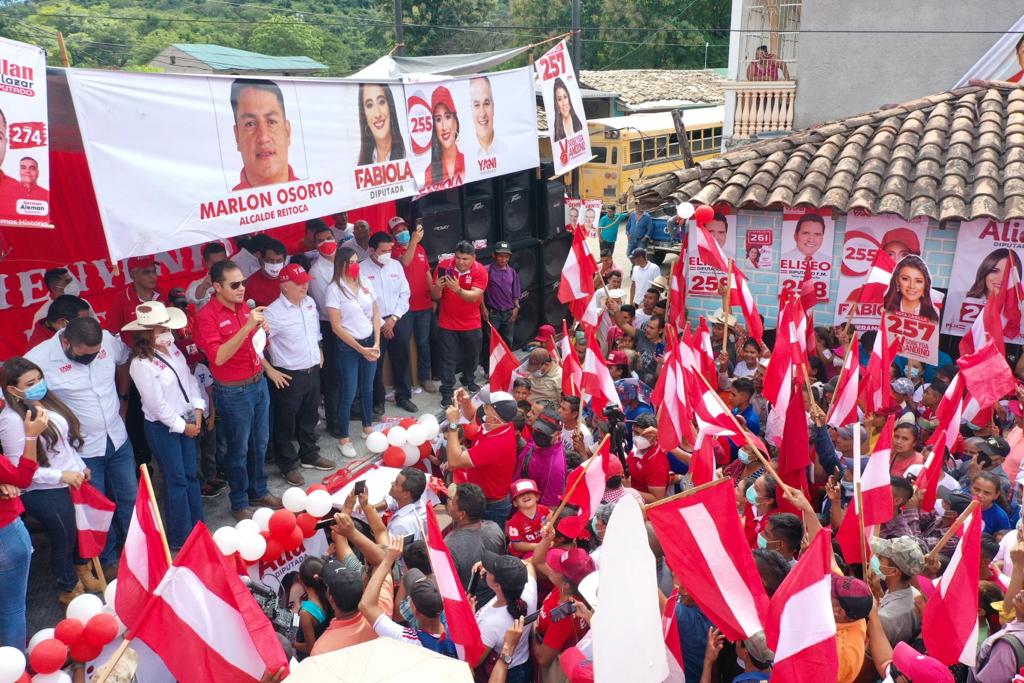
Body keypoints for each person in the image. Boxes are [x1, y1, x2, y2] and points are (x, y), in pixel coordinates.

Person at [26, 316, 138, 577]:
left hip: (117, 437)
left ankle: (138, 551)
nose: (90, 358)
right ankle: (109, 559)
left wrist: (123, 398)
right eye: (83, 355)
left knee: (130, 498)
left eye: (95, 354)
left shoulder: (108, 340)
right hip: (82, 449)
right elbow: (14, 395)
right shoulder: (38, 358)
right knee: (96, 509)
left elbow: (123, 361)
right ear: (65, 341)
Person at [0, 357, 99, 605]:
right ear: (13, 390)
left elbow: (64, 444)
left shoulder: (45, 402)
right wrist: (60, 475)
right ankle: (68, 587)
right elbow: (19, 469)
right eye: (30, 382)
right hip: (42, 489)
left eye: (39, 378)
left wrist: (79, 466)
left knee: (78, 530)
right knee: (63, 537)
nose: (39, 385)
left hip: (70, 480)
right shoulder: (11, 420)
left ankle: (83, 570)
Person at [195, 259, 280, 520]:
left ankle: (259, 489)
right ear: (217, 286)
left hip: (257, 383)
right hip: (233, 392)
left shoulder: (245, 307)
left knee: (261, 442)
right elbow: (218, 357)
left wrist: (262, 330)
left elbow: (254, 345)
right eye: (235, 284)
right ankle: (239, 501)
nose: (242, 288)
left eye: (243, 282)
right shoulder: (206, 316)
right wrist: (246, 328)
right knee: (238, 449)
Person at [123, 302, 207, 551]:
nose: (166, 333)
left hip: (187, 419)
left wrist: (199, 408)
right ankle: (181, 537)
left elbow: (189, 380)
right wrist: (184, 426)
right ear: (147, 333)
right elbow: (156, 404)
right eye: (161, 329)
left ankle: (198, 526)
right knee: (177, 479)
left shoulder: (174, 350)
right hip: (164, 428)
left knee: (191, 474)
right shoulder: (141, 364)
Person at [263, 264, 335, 485]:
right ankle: (287, 464)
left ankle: (309, 454)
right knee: (285, 421)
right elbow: (255, 346)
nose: (305, 285)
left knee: (310, 415)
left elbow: (315, 332)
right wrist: (270, 370)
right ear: (285, 286)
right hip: (288, 373)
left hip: (312, 369)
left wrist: (320, 349)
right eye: (299, 282)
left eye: (306, 281)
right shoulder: (272, 313)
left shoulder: (310, 303)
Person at [325, 246, 381, 458]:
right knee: (348, 392)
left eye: (358, 261)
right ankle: (344, 438)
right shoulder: (334, 289)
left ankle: (368, 427)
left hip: (369, 340)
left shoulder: (365, 282)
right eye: (352, 262)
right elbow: (336, 326)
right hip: (349, 346)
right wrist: (360, 349)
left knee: (367, 388)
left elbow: (376, 313)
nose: (357, 266)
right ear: (342, 265)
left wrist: (376, 343)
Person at [359, 537, 457, 657]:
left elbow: (366, 605)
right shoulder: (456, 634)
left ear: (414, 610)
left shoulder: (408, 639)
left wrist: (387, 561)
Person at [0, 401, 45, 649]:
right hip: (5, 533)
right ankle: (16, 667)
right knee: (12, 608)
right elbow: (22, 478)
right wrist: (30, 436)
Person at [362, 231, 417, 414]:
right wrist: (381, 322)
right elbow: (363, 301)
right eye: (383, 251)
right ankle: (378, 401)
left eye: (390, 250)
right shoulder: (361, 269)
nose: (387, 254)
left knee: (401, 358)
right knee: (376, 363)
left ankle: (403, 396)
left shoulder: (395, 266)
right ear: (371, 250)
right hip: (373, 322)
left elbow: (405, 294)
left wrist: (393, 319)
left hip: (398, 318)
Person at [446, 390, 518, 525]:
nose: (482, 407)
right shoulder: (502, 424)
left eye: (486, 406)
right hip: (487, 498)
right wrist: (466, 403)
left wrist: (453, 424)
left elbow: (454, 461)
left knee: (488, 543)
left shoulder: (495, 445)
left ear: (494, 418)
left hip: (491, 507)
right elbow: (473, 415)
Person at [432, 241, 488, 407]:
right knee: (447, 358)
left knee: (472, 355)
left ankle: (469, 379)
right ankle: (447, 391)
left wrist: (457, 289)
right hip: (447, 322)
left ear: (473, 258)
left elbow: (474, 297)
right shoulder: (443, 266)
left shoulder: (481, 271)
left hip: (471, 322)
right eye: (458, 258)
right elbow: (435, 296)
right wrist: (438, 287)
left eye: (465, 259)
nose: (461, 262)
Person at [389, 217, 436, 393]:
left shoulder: (421, 248)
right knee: (402, 344)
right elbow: (405, 262)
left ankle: (425, 377)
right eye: (398, 231)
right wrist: (414, 242)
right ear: (392, 235)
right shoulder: (393, 252)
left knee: (424, 343)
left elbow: (427, 274)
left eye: (404, 229)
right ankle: (404, 383)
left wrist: (434, 295)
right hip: (404, 308)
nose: (403, 233)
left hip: (423, 304)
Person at [474, 550, 537, 681]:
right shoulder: (529, 590)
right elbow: (528, 565)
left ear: (497, 585)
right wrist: (507, 569)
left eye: (490, 570)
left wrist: (469, 616)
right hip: (522, 663)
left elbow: (474, 660)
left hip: (506, 674)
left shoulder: (490, 623)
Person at [307, 220, 343, 436]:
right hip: (330, 327)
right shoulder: (316, 270)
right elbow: (327, 305)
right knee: (332, 377)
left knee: (346, 374)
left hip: (350, 325)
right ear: (315, 245)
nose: (326, 243)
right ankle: (334, 421)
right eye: (320, 241)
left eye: (329, 239)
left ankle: (346, 412)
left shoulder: (344, 259)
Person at [445, 483, 507, 604]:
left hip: (471, 605)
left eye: (452, 502)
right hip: (496, 597)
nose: (448, 503)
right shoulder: (495, 528)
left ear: (461, 514)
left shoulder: (449, 545)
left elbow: (448, 586)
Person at [230, 78, 296, 190]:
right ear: (237, 137)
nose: (263, 137)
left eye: (271, 122)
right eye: (250, 124)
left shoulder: (317, 200)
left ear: (287, 131)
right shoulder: (225, 205)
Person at [291, 556, 332, 660]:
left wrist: (293, 644)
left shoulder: (306, 613)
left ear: (301, 581)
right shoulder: (329, 593)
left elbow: (311, 648)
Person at [483, 242, 522, 348]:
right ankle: (489, 364)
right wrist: (484, 309)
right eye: (500, 256)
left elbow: (516, 293)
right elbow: (480, 291)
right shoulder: (486, 270)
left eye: (506, 257)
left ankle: (507, 364)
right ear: (494, 255)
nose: (503, 259)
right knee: (491, 341)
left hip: (509, 313)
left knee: (508, 340)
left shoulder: (512, 272)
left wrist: (516, 308)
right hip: (493, 313)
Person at [424, 86, 465, 186]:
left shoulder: (468, 160)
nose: (444, 127)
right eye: (438, 119)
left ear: (455, 121)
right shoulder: (429, 172)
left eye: (447, 117)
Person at [357, 83, 406, 165]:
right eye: (369, 105)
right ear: (364, 115)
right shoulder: (359, 164)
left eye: (381, 102)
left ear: (390, 106)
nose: (377, 114)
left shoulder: (407, 158)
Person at [883, 255, 939, 322]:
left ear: (925, 285)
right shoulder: (885, 306)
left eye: (918, 281)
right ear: (897, 281)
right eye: (905, 279)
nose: (912, 286)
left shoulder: (933, 313)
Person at [506, 479, 550, 560]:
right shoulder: (513, 522)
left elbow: (552, 523)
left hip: (542, 547)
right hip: (521, 555)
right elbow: (517, 546)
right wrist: (541, 546)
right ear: (515, 503)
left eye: (529, 492)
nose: (525, 496)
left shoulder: (545, 511)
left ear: (537, 497)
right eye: (520, 495)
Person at [26, 295, 91, 349]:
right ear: (62, 322)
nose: (86, 327)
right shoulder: (40, 349)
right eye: (82, 323)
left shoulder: (61, 332)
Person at [383, 466, 427, 542]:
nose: (392, 483)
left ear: (406, 494)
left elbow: (386, 551)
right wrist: (373, 507)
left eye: (396, 483)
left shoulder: (400, 525)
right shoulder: (417, 502)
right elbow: (394, 502)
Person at [244, 237, 288, 307]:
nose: (274, 264)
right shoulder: (250, 284)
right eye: (270, 260)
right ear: (261, 259)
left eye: (279, 261)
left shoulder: (291, 277)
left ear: (284, 261)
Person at [470, 76, 506, 162]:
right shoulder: (466, 155)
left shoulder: (506, 149)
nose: (482, 114)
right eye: (477, 105)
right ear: (471, 109)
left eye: (486, 104)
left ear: (493, 107)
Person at [186, 242, 229, 310]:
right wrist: (203, 286)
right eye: (215, 263)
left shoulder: (237, 278)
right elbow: (189, 298)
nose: (220, 266)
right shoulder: (197, 284)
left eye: (223, 262)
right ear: (207, 263)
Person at [551, 77, 583, 142]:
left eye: (565, 97)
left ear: (569, 98)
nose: (564, 103)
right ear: (556, 104)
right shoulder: (557, 131)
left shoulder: (579, 124)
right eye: (559, 99)